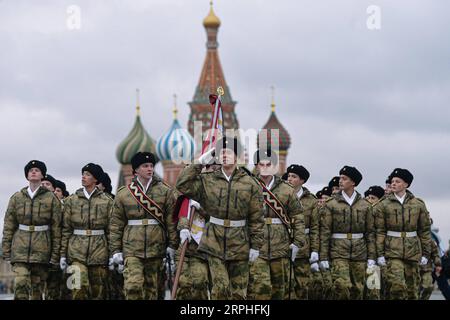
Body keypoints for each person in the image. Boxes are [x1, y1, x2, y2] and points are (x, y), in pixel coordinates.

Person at [176, 136, 265, 300]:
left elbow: (257, 218)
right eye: (221, 152)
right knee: (220, 289)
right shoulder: (208, 180)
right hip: (214, 240)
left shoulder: (251, 184)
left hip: (240, 241)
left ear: (237, 156)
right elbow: (182, 184)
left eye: (228, 151)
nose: (224, 155)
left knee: (238, 292)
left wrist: (256, 245)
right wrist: (200, 162)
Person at [110, 152, 178, 300]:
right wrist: (115, 250)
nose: (149, 169)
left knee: (151, 290)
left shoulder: (165, 191)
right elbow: (116, 224)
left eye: (151, 166)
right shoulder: (124, 194)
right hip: (131, 248)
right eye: (145, 166)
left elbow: (171, 221)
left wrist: (172, 245)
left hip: (156, 248)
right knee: (133, 286)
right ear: (136, 170)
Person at [247, 152, 305, 300]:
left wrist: (297, 242)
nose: (265, 168)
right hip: (256, 245)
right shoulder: (248, 186)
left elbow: (297, 216)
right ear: (256, 166)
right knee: (260, 288)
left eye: (269, 164)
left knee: (280, 289)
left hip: (281, 246)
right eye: (262, 164)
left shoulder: (286, 188)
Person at [2, 160, 61, 300]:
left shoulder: (51, 199)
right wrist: (6, 249)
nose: (33, 172)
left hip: (42, 250)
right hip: (20, 249)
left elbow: (56, 228)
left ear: (42, 175)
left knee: (36, 290)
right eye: (30, 170)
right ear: (27, 176)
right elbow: (9, 225)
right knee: (21, 282)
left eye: (37, 170)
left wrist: (55, 254)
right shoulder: (17, 198)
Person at [374, 168, 431, 300]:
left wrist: (426, 254)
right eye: (392, 181)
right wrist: (380, 254)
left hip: (413, 252)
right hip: (391, 251)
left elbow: (424, 231)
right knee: (397, 286)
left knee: (412, 291)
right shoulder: (383, 205)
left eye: (397, 181)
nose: (393, 183)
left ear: (406, 184)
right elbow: (380, 231)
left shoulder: (418, 204)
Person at [320, 166, 375, 300]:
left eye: (344, 179)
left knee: (358, 289)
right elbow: (325, 231)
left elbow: (370, 232)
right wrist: (322, 256)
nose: (340, 181)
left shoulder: (365, 205)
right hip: (338, 251)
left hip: (360, 252)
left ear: (353, 183)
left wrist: (372, 256)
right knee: (342, 286)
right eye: (340, 178)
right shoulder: (331, 204)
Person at [60, 163, 112, 299]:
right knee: (78, 287)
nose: (83, 177)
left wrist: (113, 254)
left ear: (96, 179)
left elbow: (111, 230)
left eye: (88, 174)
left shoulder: (107, 201)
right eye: (83, 174)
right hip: (76, 253)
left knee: (98, 293)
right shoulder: (71, 201)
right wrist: (62, 255)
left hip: (99, 253)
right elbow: (66, 229)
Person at [286, 164, 318, 300]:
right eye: (288, 176)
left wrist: (315, 250)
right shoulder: (281, 195)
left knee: (301, 285)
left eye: (294, 176)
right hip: (283, 245)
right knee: (285, 284)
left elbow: (315, 227)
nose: (289, 179)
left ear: (302, 180)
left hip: (303, 248)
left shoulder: (311, 201)